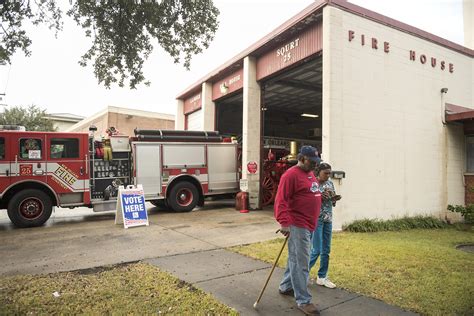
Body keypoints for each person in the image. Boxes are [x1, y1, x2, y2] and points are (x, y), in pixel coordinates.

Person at [275, 145, 322, 316]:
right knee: (301, 262)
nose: (315, 165)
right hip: (297, 224)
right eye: (312, 161)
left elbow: (311, 193)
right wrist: (284, 223)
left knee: (294, 259)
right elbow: (281, 200)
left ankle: (286, 286)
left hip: (310, 224)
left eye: (317, 162)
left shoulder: (309, 173)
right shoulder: (290, 175)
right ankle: (303, 300)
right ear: (301, 158)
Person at [309, 163, 341, 289]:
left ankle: (322, 277)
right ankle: (301, 274)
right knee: (316, 250)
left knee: (326, 250)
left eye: (329, 173)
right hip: (317, 220)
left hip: (328, 219)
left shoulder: (330, 184)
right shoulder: (313, 185)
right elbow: (310, 202)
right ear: (318, 172)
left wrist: (334, 199)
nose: (328, 176)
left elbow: (332, 202)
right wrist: (319, 198)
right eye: (325, 173)